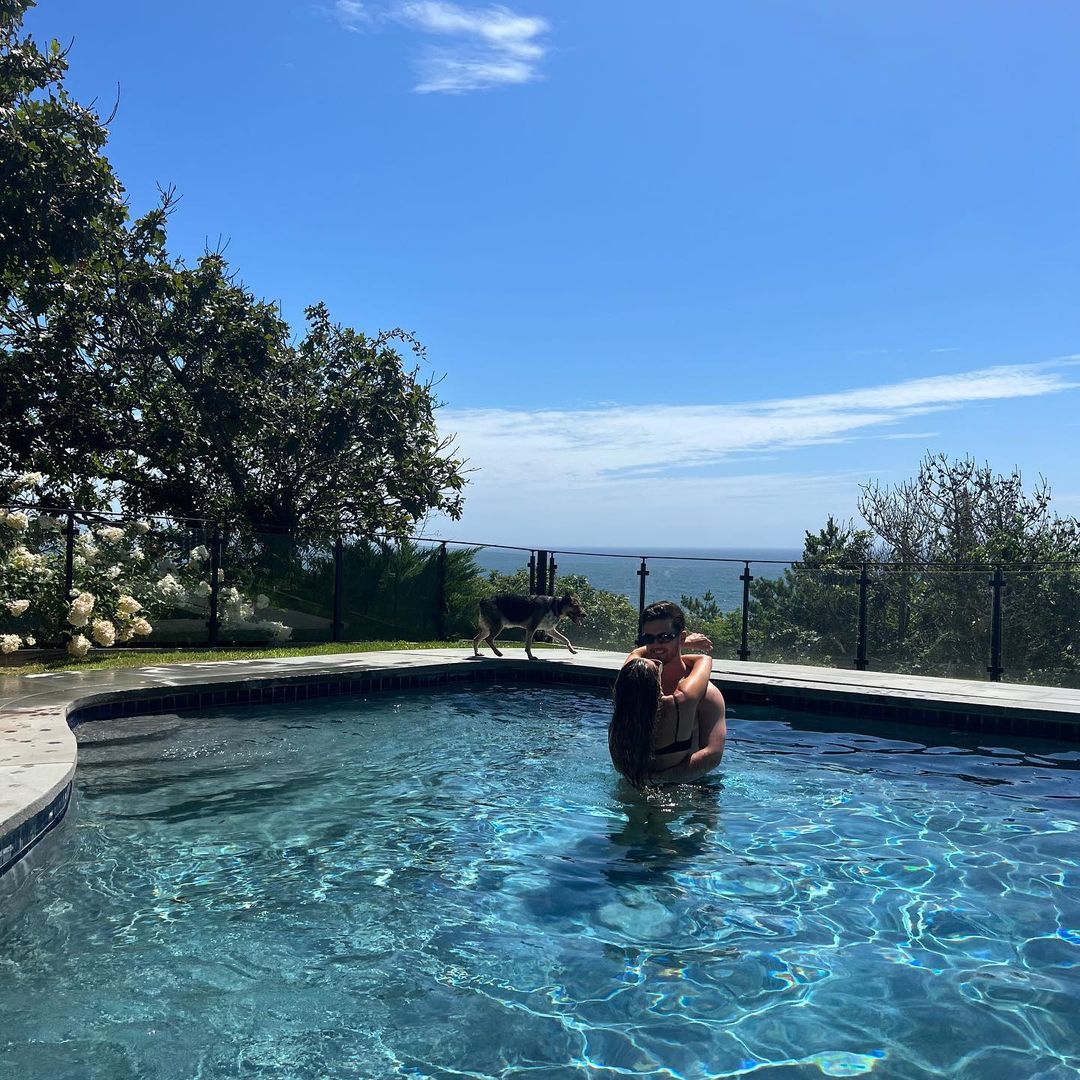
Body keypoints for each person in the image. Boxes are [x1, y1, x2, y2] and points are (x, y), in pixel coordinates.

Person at [616, 600, 727, 785]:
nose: (655, 645)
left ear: (681, 638)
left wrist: (658, 780)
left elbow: (713, 754)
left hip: (688, 788)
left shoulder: (707, 694)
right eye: (649, 638)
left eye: (664, 637)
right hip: (635, 784)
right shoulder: (636, 683)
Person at [609, 652, 714, 788]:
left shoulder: (619, 719)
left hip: (629, 787)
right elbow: (704, 659)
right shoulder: (679, 703)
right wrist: (675, 651)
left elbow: (635, 655)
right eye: (657, 667)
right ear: (658, 687)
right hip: (676, 789)